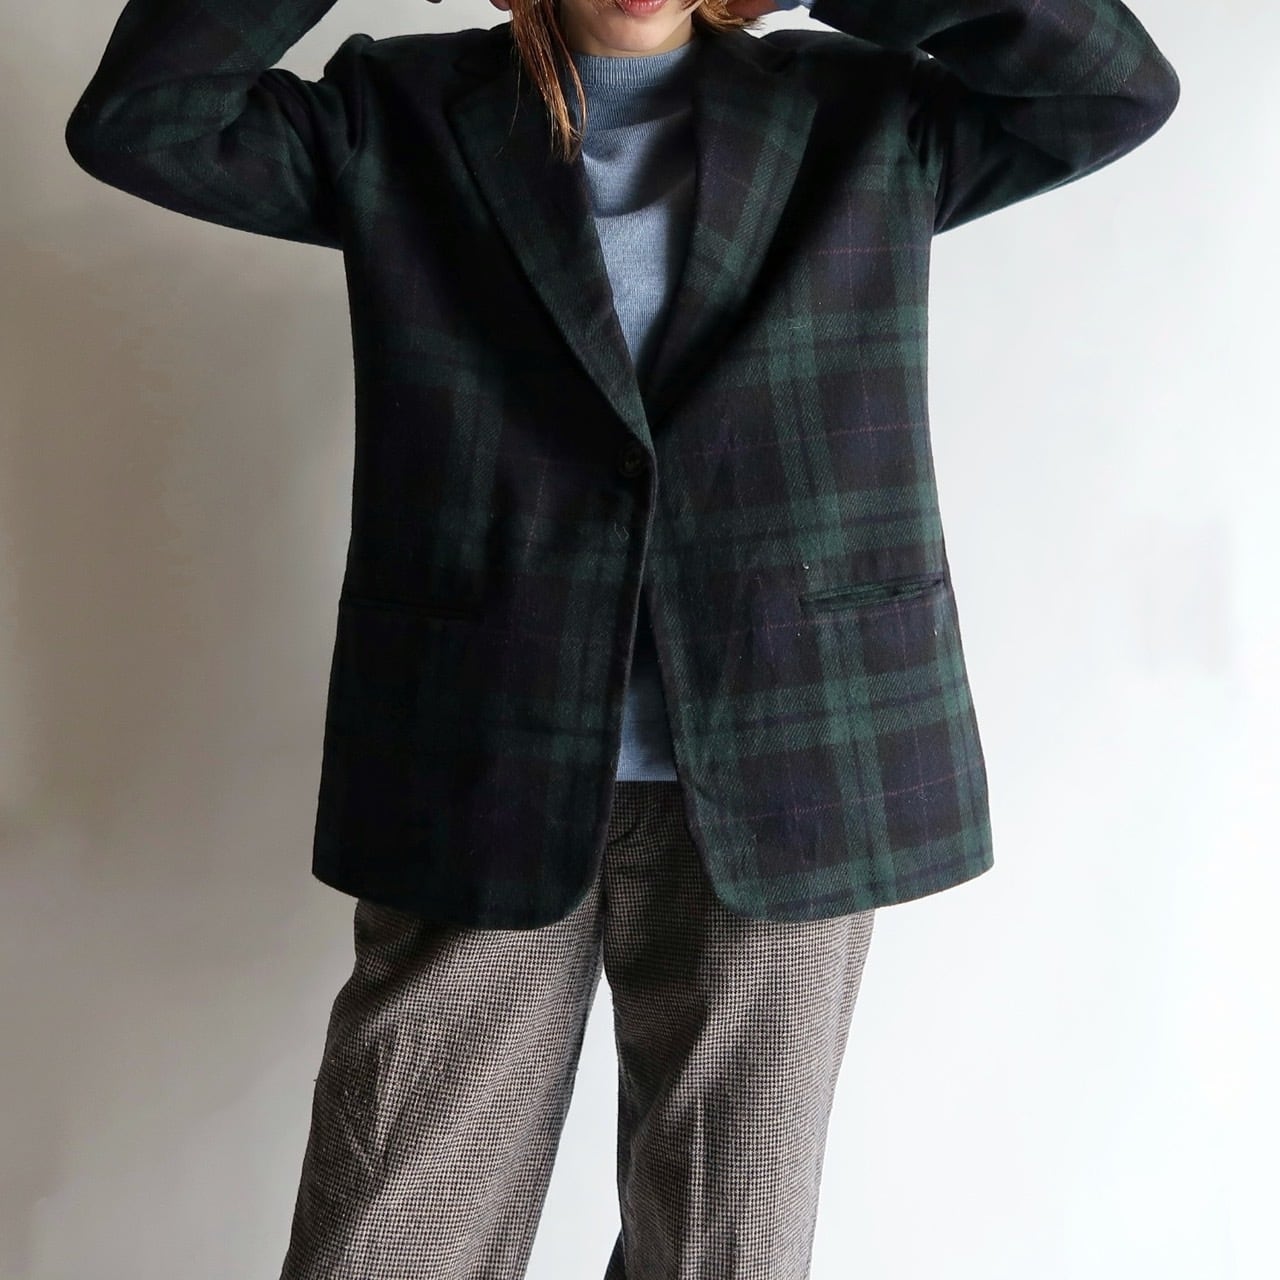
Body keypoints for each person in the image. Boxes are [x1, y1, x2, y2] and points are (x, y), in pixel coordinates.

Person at [64, 0, 1179, 1276]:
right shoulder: (400, 114)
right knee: (391, 1235)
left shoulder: (864, 112)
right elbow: (144, 120)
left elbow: (1109, 91)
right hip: (482, 747)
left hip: (783, 753)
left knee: (722, 1245)